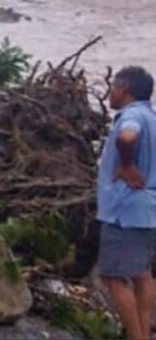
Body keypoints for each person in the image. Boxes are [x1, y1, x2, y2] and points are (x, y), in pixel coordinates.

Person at [97, 66, 156, 340]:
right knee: (142, 274)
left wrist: (128, 164)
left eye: (113, 86)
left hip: (125, 210)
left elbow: (126, 137)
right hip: (148, 210)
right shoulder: (152, 117)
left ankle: (136, 336)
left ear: (124, 89)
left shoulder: (131, 116)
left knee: (113, 276)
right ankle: (144, 332)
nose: (111, 92)